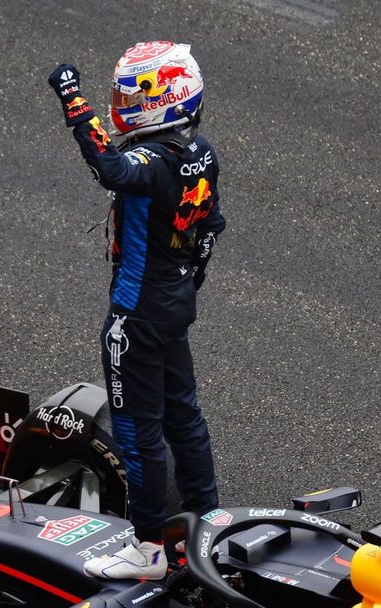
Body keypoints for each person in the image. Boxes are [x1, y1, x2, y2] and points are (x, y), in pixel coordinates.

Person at [48, 41, 226, 579]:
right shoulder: (204, 152)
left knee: (135, 431)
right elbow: (211, 230)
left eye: (130, 93)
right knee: (184, 416)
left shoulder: (150, 161)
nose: (122, 100)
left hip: (137, 311)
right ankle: (210, 520)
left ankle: (146, 549)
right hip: (175, 300)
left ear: (162, 99)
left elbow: (111, 167)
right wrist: (187, 283)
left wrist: (74, 102)